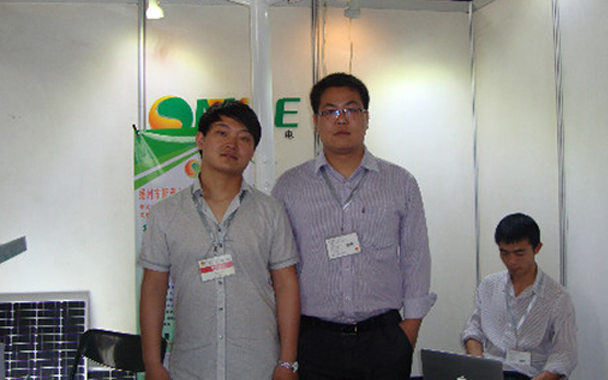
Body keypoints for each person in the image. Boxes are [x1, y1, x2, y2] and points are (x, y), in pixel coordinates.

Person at [272, 73, 436, 380]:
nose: (341, 119)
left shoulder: (400, 182)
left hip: (384, 338)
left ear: (367, 118)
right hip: (313, 340)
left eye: (351, 109)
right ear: (315, 121)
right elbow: (281, 271)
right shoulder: (289, 187)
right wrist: (287, 354)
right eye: (330, 111)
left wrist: (409, 331)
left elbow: (416, 258)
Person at [139, 101, 301, 380]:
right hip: (190, 366)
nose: (232, 144)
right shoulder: (164, 213)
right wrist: (153, 363)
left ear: (252, 151)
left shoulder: (271, 211)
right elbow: (154, 289)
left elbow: (286, 286)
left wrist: (287, 363)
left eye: (244, 138)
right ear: (200, 140)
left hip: (258, 367)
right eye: (222, 133)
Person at [462, 213, 577, 380]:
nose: (511, 261)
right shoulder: (489, 285)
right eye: (504, 253)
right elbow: (473, 331)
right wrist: (478, 366)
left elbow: (564, 355)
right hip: (490, 372)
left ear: (537, 248)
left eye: (519, 253)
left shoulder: (557, 297)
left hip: (530, 375)